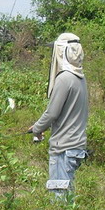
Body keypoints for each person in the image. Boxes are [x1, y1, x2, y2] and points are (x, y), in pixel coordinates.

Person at [29, 32, 89, 199]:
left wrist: (37, 128)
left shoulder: (64, 79)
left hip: (63, 149)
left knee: (59, 199)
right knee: (68, 196)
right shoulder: (80, 79)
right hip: (76, 146)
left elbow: (52, 112)